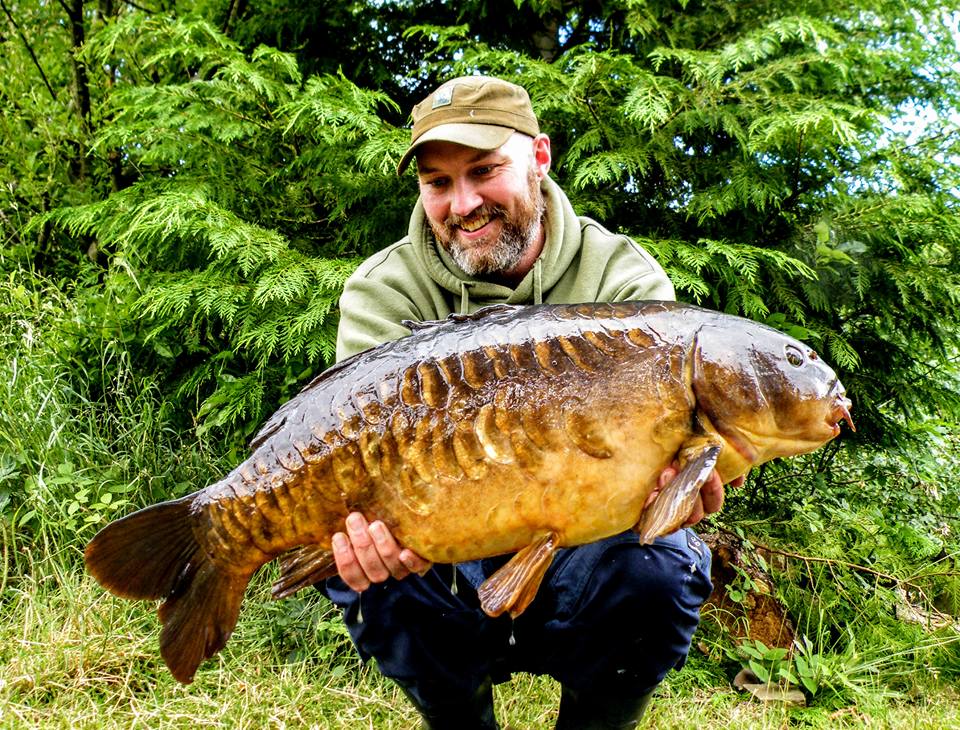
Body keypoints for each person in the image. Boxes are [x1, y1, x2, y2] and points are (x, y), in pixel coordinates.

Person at [318, 75, 735, 729]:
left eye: (485, 171)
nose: (463, 203)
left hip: (582, 544)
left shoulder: (622, 281)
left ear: (539, 158)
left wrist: (679, 489)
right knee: (370, 572)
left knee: (661, 567)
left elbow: (674, 462)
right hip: (440, 544)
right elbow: (349, 458)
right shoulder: (384, 293)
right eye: (438, 183)